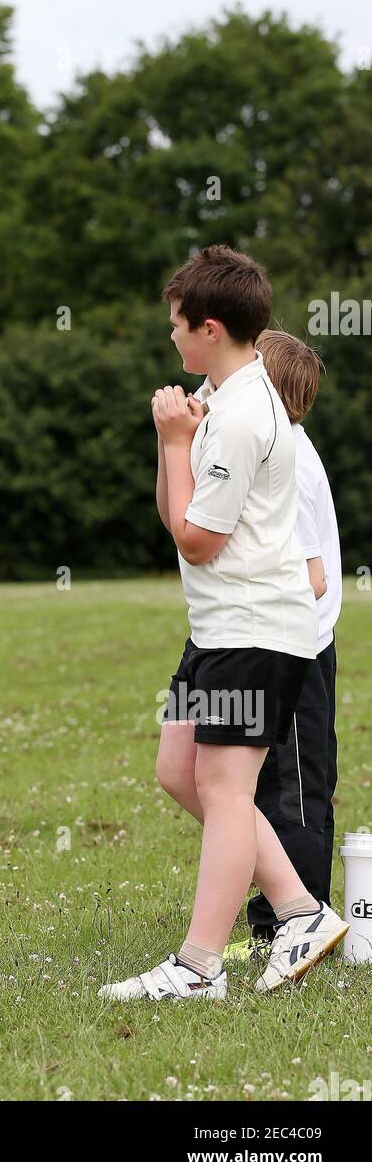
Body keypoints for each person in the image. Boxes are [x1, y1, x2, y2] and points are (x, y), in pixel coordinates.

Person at [99, 245, 347, 1001]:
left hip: (252, 629)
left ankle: (198, 965)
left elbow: (194, 540)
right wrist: (172, 443)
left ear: (208, 326)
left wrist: (176, 441)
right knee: (180, 771)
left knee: (227, 787)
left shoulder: (241, 415)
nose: (169, 335)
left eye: (176, 324)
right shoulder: (220, 396)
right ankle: (301, 910)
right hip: (215, 630)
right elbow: (179, 514)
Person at [246, 331, 341, 943]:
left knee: (298, 790)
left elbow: (311, 577)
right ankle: (275, 918)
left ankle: (299, 919)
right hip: (269, 641)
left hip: (297, 648)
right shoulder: (271, 451)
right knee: (258, 785)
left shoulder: (295, 466)